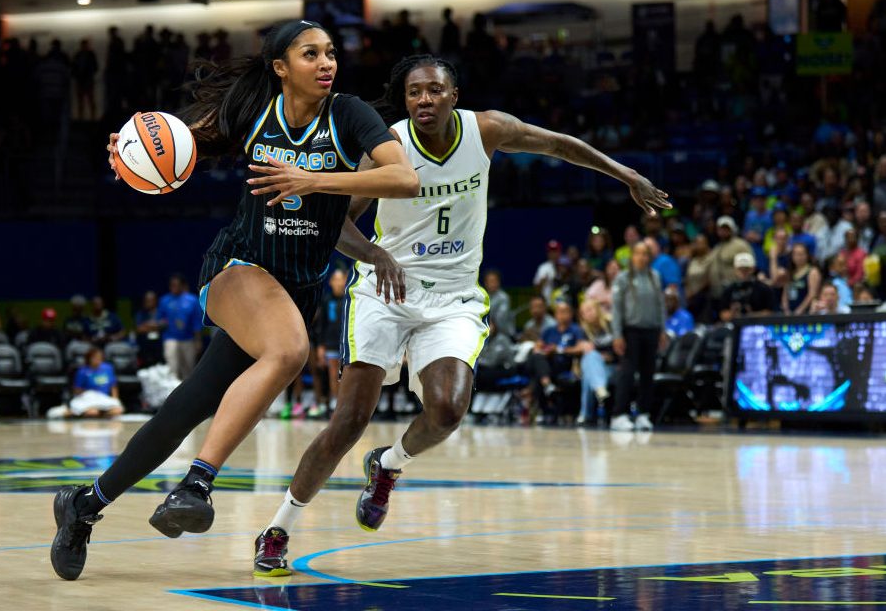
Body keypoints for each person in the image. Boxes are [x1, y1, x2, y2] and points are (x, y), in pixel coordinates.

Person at [248, 54, 669, 576]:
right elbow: (336, 224)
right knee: (349, 420)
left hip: (452, 298)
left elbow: (559, 145)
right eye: (413, 93)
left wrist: (623, 172)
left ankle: (389, 465)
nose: (424, 100)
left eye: (434, 90)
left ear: (453, 93)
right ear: (404, 101)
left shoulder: (486, 129)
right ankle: (278, 528)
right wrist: (375, 254)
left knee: (447, 411)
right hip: (385, 291)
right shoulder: (388, 147)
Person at [49, 20, 418, 582]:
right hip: (238, 267)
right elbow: (174, 141)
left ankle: (84, 505)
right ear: (279, 67)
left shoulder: (349, 116)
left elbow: (403, 178)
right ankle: (196, 484)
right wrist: (130, 150)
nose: (327, 63)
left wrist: (317, 186)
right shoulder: (254, 109)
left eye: (330, 53)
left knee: (185, 408)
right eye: (310, 54)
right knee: (291, 351)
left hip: (298, 287)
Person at [610, 242, 665, 432]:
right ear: (632, 256)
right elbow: (616, 309)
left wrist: (662, 330)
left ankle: (643, 414)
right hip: (630, 331)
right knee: (627, 372)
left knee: (647, 374)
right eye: (639, 254)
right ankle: (619, 414)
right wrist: (617, 335)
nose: (642, 258)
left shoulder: (655, 277)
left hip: (651, 330)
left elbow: (661, 306)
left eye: (645, 254)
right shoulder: (623, 278)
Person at [313, 269, 349, 418]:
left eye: (342, 279)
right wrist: (321, 346)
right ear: (331, 282)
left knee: (347, 375)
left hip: (346, 344)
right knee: (333, 374)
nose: (339, 283)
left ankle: (346, 402)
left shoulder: (349, 300)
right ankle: (335, 402)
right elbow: (322, 324)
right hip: (331, 343)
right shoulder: (327, 300)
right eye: (336, 279)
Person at [576, 299, 614, 426]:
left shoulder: (611, 323)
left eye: (590, 309)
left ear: (598, 309)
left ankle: (585, 414)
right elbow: (583, 349)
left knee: (589, 373)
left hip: (613, 366)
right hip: (597, 367)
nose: (589, 313)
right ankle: (600, 391)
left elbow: (619, 350)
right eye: (584, 312)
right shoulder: (582, 331)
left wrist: (606, 356)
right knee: (590, 358)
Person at [157, 274, 203, 380]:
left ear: (182, 286)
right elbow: (160, 319)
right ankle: (172, 393)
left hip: (188, 339)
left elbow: (196, 322)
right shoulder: (165, 300)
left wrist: (198, 341)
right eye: (172, 285)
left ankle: (188, 394)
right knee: (172, 368)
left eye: (176, 285)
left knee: (189, 369)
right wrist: (162, 323)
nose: (174, 287)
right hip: (170, 338)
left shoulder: (192, 300)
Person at [718, 252, 776, 322]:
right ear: (735, 270)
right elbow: (723, 315)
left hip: (759, 326)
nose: (743, 272)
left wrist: (750, 315)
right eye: (740, 269)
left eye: (746, 269)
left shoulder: (764, 289)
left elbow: (771, 313)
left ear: (753, 269)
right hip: (735, 326)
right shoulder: (729, 290)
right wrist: (733, 312)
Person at [783, 243, 822, 315]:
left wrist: (800, 310)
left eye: (801, 254)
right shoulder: (790, 272)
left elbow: (812, 294)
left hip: (805, 312)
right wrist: (786, 309)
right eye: (796, 254)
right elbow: (785, 293)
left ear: (807, 255)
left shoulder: (812, 271)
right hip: (790, 312)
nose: (799, 257)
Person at [133, 291, 164, 368]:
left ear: (156, 301)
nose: (148, 302)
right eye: (146, 300)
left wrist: (148, 325)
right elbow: (139, 329)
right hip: (145, 344)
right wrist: (155, 326)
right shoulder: (140, 313)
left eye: (150, 300)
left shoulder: (161, 312)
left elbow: (164, 325)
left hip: (159, 344)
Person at [483, 269, 514, 339]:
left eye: (494, 281)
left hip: (503, 332)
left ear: (498, 282)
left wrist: (490, 323)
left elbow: (501, 317)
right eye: (490, 281)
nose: (492, 284)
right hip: (487, 329)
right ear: (485, 283)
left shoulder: (504, 297)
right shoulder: (482, 297)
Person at [533, 240, 560, 305]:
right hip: (547, 303)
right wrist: (541, 282)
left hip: (560, 303)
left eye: (555, 251)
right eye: (551, 251)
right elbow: (536, 287)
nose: (553, 253)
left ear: (559, 252)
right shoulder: (543, 268)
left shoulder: (564, 266)